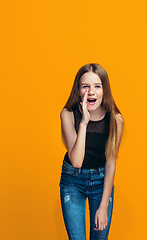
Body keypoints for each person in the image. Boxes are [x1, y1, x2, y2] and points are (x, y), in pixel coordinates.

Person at [59, 63, 124, 240]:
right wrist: (83, 123)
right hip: (73, 180)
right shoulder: (68, 114)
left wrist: (103, 207)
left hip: (101, 182)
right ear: (78, 91)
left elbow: (111, 163)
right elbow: (77, 161)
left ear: (105, 90)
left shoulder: (115, 119)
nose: (92, 92)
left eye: (97, 86)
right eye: (85, 87)